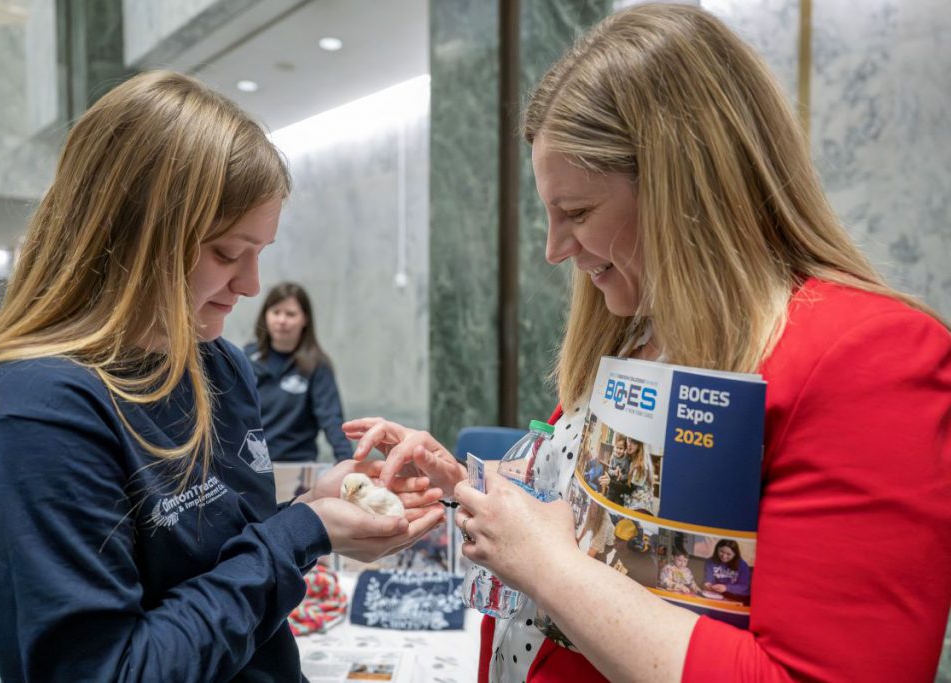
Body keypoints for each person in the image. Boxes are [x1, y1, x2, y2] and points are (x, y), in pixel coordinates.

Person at [342, 4, 951, 682]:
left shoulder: (868, 356)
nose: (553, 249)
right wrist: (473, 491)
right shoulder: (641, 329)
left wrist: (545, 565)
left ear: (681, 188)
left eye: (576, 212)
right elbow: (609, 528)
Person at [0, 71, 444, 682]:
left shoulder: (216, 363)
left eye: (260, 253)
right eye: (227, 253)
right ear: (135, 237)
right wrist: (303, 531)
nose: (251, 285)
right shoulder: (31, 413)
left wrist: (316, 506)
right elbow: (111, 670)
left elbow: (215, 561)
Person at [245, 282, 354, 462]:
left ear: (305, 319)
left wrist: (348, 465)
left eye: (290, 314)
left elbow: (332, 421)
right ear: (265, 316)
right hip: (252, 466)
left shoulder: (317, 366)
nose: (282, 320)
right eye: (276, 312)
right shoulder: (246, 358)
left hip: (297, 468)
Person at [703, 539, 751, 605]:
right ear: (717, 549)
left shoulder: (742, 565)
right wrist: (708, 584)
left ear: (735, 555)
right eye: (721, 551)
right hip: (720, 596)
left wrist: (726, 588)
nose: (724, 556)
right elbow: (709, 578)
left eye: (728, 554)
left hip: (740, 597)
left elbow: (744, 586)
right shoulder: (710, 562)